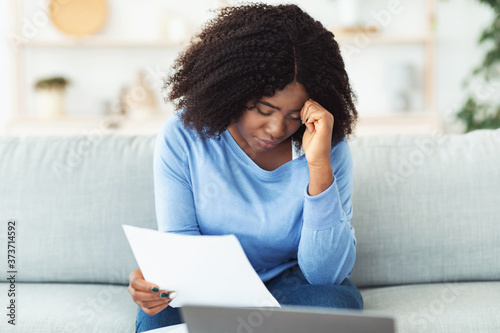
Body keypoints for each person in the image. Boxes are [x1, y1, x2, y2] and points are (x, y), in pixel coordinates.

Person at [128, 3, 362, 332]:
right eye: (263, 109)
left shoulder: (325, 144)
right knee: (160, 316)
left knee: (335, 304)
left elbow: (325, 275)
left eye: (295, 114)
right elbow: (183, 252)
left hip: (294, 288)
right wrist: (157, 287)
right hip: (207, 290)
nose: (277, 128)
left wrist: (319, 165)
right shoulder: (183, 137)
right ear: (234, 90)